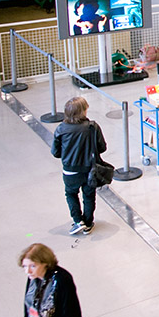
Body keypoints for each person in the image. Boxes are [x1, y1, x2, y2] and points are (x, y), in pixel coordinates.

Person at [51, 97, 106, 235]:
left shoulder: (61, 129)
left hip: (70, 171)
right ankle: (88, 223)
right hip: (89, 170)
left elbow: (55, 152)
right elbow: (102, 147)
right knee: (89, 195)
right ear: (82, 112)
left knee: (71, 193)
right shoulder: (92, 127)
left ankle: (77, 220)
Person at [19, 243, 88, 317]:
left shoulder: (62, 280)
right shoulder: (33, 277)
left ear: (45, 263)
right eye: (25, 266)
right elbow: (28, 303)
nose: (27, 271)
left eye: (33, 266)